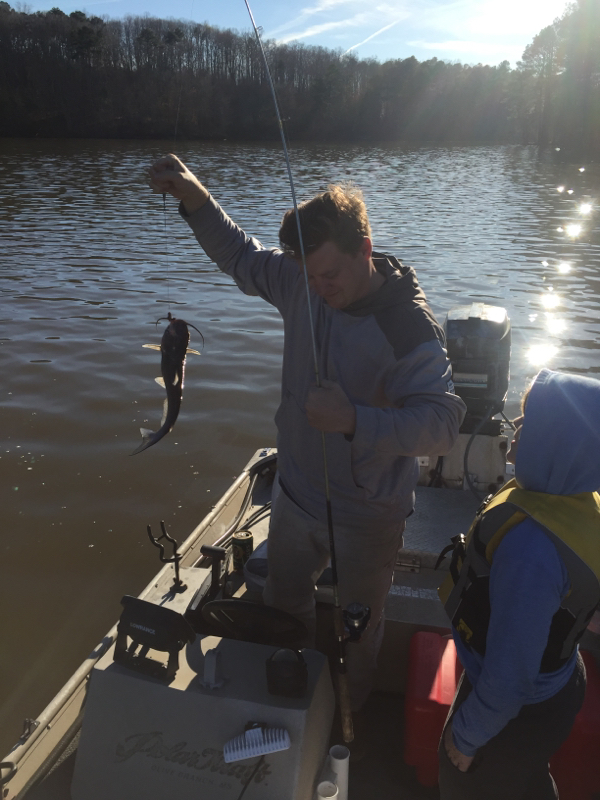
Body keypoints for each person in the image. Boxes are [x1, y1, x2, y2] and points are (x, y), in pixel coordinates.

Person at [148, 154, 466, 718]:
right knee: (283, 605)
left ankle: (349, 721)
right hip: (294, 495)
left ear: (364, 250)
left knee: (357, 629)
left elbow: (442, 425)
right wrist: (194, 197)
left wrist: (354, 420)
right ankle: (283, 701)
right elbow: (241, 257)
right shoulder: (302, 281)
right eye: (310, 276)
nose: (318, 290)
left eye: (331, 277)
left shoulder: (408, 328)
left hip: (369, 513)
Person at [438, 368, 600, 799]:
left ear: (558, 446)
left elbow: (510, 678)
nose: (517, 429)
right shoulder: (579, 501)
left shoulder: (531, 550)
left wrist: (467, 737)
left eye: (531, 423)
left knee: (463, 781)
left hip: (518, 706)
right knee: (526, 780)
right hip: (561, 682)